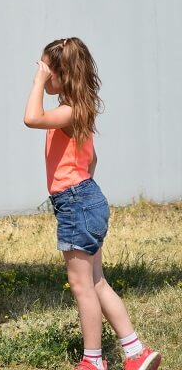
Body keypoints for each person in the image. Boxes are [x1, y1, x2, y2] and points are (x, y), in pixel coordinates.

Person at [24, 37, 161, 370]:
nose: (42, 73)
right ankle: (136, 352)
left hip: (76, 202)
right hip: (86, 198)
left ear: (62, 74)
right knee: (97, 282)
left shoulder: (68, 111)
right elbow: (92, 159)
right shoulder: (79, 110)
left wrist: (38, 83)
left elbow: (31, 118)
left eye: (47, 68)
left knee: (82, 286)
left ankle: (93, 360)